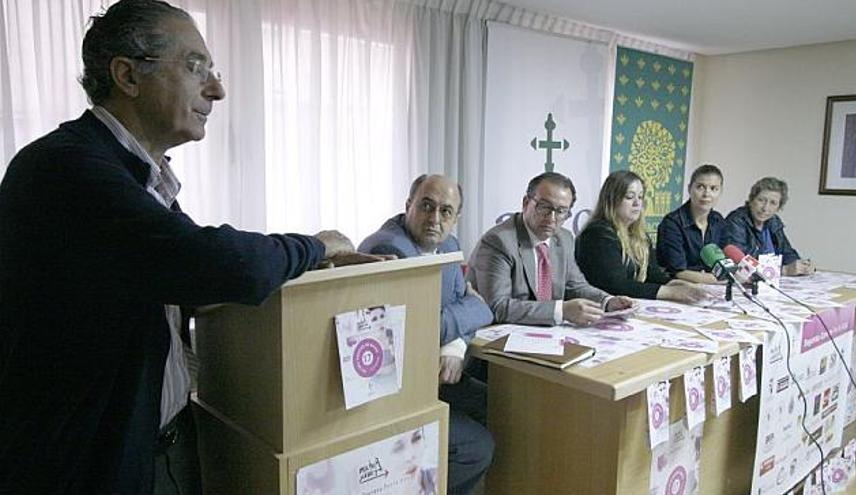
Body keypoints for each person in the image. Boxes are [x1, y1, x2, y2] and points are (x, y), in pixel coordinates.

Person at [0, 1, 381, 493]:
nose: (217, 89)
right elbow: (220, 266)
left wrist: (315, 266)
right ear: (128, 75)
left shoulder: (139, 177)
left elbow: (190, 283)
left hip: (161, 441)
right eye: (195, 66)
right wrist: (317, 244)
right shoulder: (66, 168)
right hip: (81, 463)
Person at [359, 174, 494, 495]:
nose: (435, 219)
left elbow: (472, 307)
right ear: (408, 206)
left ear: (456, 218)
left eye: (446, 211)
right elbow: (417, 327)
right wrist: (469, 312)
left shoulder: (449, 244)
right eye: (426, 206)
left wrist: (455, 346)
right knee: (477, 447)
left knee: (501, 405)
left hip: (430, 375)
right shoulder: (389, 249)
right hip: (391, 389)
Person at [467, 172, 635, 326]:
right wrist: (561, 311)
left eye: (561, 211)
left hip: (546, 335)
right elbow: (497, 307)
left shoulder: (565, 239)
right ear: (526, 203)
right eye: (545, 207)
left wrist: (608, 301)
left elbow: (575, 286)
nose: (551, 218)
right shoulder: (499, 241)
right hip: (497, 337)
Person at [575, 171, 707, 303]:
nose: (637, 203)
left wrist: (674, 284)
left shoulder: (639, 235)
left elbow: (652, 274)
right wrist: (669, 292)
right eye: (629, 197)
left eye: (640, 197)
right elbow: (616, 285)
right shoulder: (598, 234)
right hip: (599, 308)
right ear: (611, 199)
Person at [723, 176, 813, 276]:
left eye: (773, 203)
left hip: (772, 282)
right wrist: (783, 270)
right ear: (751, 200)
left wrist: (801, 266)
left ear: (779, 207)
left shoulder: (773, 221)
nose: (765, 208)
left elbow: (787, 252)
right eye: (761, 200)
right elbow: (742, 262)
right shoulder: (736, 220)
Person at [656, 164, 727, 284]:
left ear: (720, 192)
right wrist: (717, 279)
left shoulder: (718, 220)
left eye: (713, 188)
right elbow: (677, 271)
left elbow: (724, 259)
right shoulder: (672, 223)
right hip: (678, 288)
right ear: (689, 189)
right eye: (700, 187)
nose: (706, 194)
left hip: (713, 288)